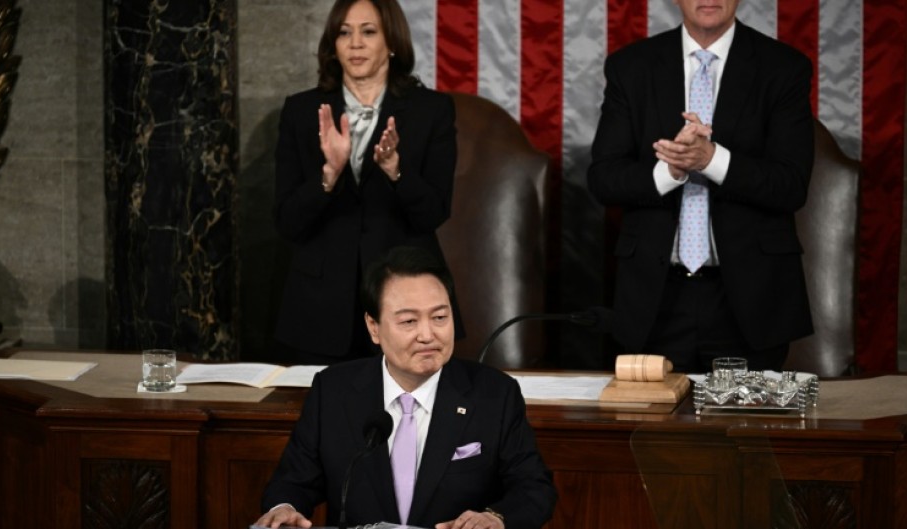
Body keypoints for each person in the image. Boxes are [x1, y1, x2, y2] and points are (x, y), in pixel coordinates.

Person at [255, 246, 557, 529]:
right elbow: (293, 481)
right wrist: (284, 507)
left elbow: (533, 488)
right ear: (374, 327)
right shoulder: (333, 390)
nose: (428, 335)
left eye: (440, 317)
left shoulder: (494, 394)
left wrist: (495, 518)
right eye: (409, 321)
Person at [587, 0, 814, 373]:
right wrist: (671, 171)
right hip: (655, 299)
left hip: (747, 300)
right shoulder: (632, 66)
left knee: (744, 432)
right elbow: (603, 179)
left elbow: (790, 185)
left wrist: (711, 160)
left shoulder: (783, 67)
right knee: (651, 431)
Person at [272, 0, 460, 365]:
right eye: (344, 32)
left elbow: (434, 212)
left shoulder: (431, 110)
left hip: (405, 303)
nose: (355, 43)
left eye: (368, 31)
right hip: (319, 309)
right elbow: (287, 221)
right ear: (333, 44)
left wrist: (395, 170)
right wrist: (329, 174)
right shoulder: (300, 111)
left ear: (391, 42)